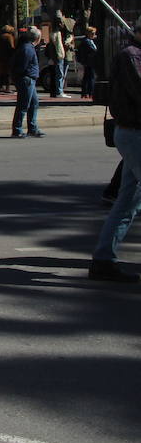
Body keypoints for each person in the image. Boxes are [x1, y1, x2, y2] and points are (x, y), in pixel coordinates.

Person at [90, 16, 141, 283]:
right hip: (134, 132)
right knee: (128, 200)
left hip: (133, 132)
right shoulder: (131, 56)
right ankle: (103, 259)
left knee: (129, 200)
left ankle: (103, 259)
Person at [10, 27, 44, 138]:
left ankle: (32, 128)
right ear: (37, 38)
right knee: (23, 105)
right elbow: (22, 66)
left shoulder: (27, 47)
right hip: (27, 79)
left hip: (29, 79)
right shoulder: (28, 49)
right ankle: (17, 129)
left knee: (34, 103)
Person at [76, 26, 99, 100]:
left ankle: (85, 93)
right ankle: (89, 93)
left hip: (89, 62)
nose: (94, 35)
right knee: (90, 77)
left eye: (94, 33)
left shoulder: (89, 41)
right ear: (88, 33)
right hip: (89, 62)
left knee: (87, 77)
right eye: (92, 33)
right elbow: (93, 50)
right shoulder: (86, 41)